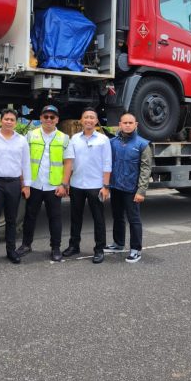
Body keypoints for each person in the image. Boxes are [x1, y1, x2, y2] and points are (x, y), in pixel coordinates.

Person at [16, 105, 70, 262]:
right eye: (45, 116)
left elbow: (68, 163)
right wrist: (24, 183)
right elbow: (23, 160)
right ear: (40, 118)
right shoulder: (30, 136)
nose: (48, 120)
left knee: (55, 217)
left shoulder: (64, 138)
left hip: (54, 185)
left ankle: (56, 247)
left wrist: (64, 185)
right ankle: (26, 245)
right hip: (34, 184)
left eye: (52, 117)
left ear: (57, 120)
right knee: (30, 216)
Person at [62, 107, 112, 264]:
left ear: (96, 121)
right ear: (81, 120)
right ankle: (74, 246)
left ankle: (99, 249)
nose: (89, 120)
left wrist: (105, 186)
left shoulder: (103, 140)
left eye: (92, 117)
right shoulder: (75, 138)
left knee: (98, 219)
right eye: (86, 117)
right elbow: (69, 162)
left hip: (96, 185)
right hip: (77, 185)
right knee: (75, 218)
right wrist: (66, 182)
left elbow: (107, 163)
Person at [0, 109, 31, 264]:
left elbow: (25, 164)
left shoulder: (21, 140)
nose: (9, 122)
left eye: (12, 119)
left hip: (14, 183)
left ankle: (11, 251)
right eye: (6, 119)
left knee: (11, 219)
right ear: (0, 120)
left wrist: (26, 185)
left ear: (15, 122)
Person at [105, 112, 152, 262]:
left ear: (136, 125)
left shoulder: (142, 144)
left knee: (134, 219)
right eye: (124, 122)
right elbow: (107, 164)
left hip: (132, 190)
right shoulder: (112, 143)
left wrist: (141, 191)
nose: (127, 125)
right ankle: (118, 243)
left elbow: (146, 169)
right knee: (117, 217)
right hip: (116, 187)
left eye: (130, 123)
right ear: (119, 124)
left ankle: (135, 249)